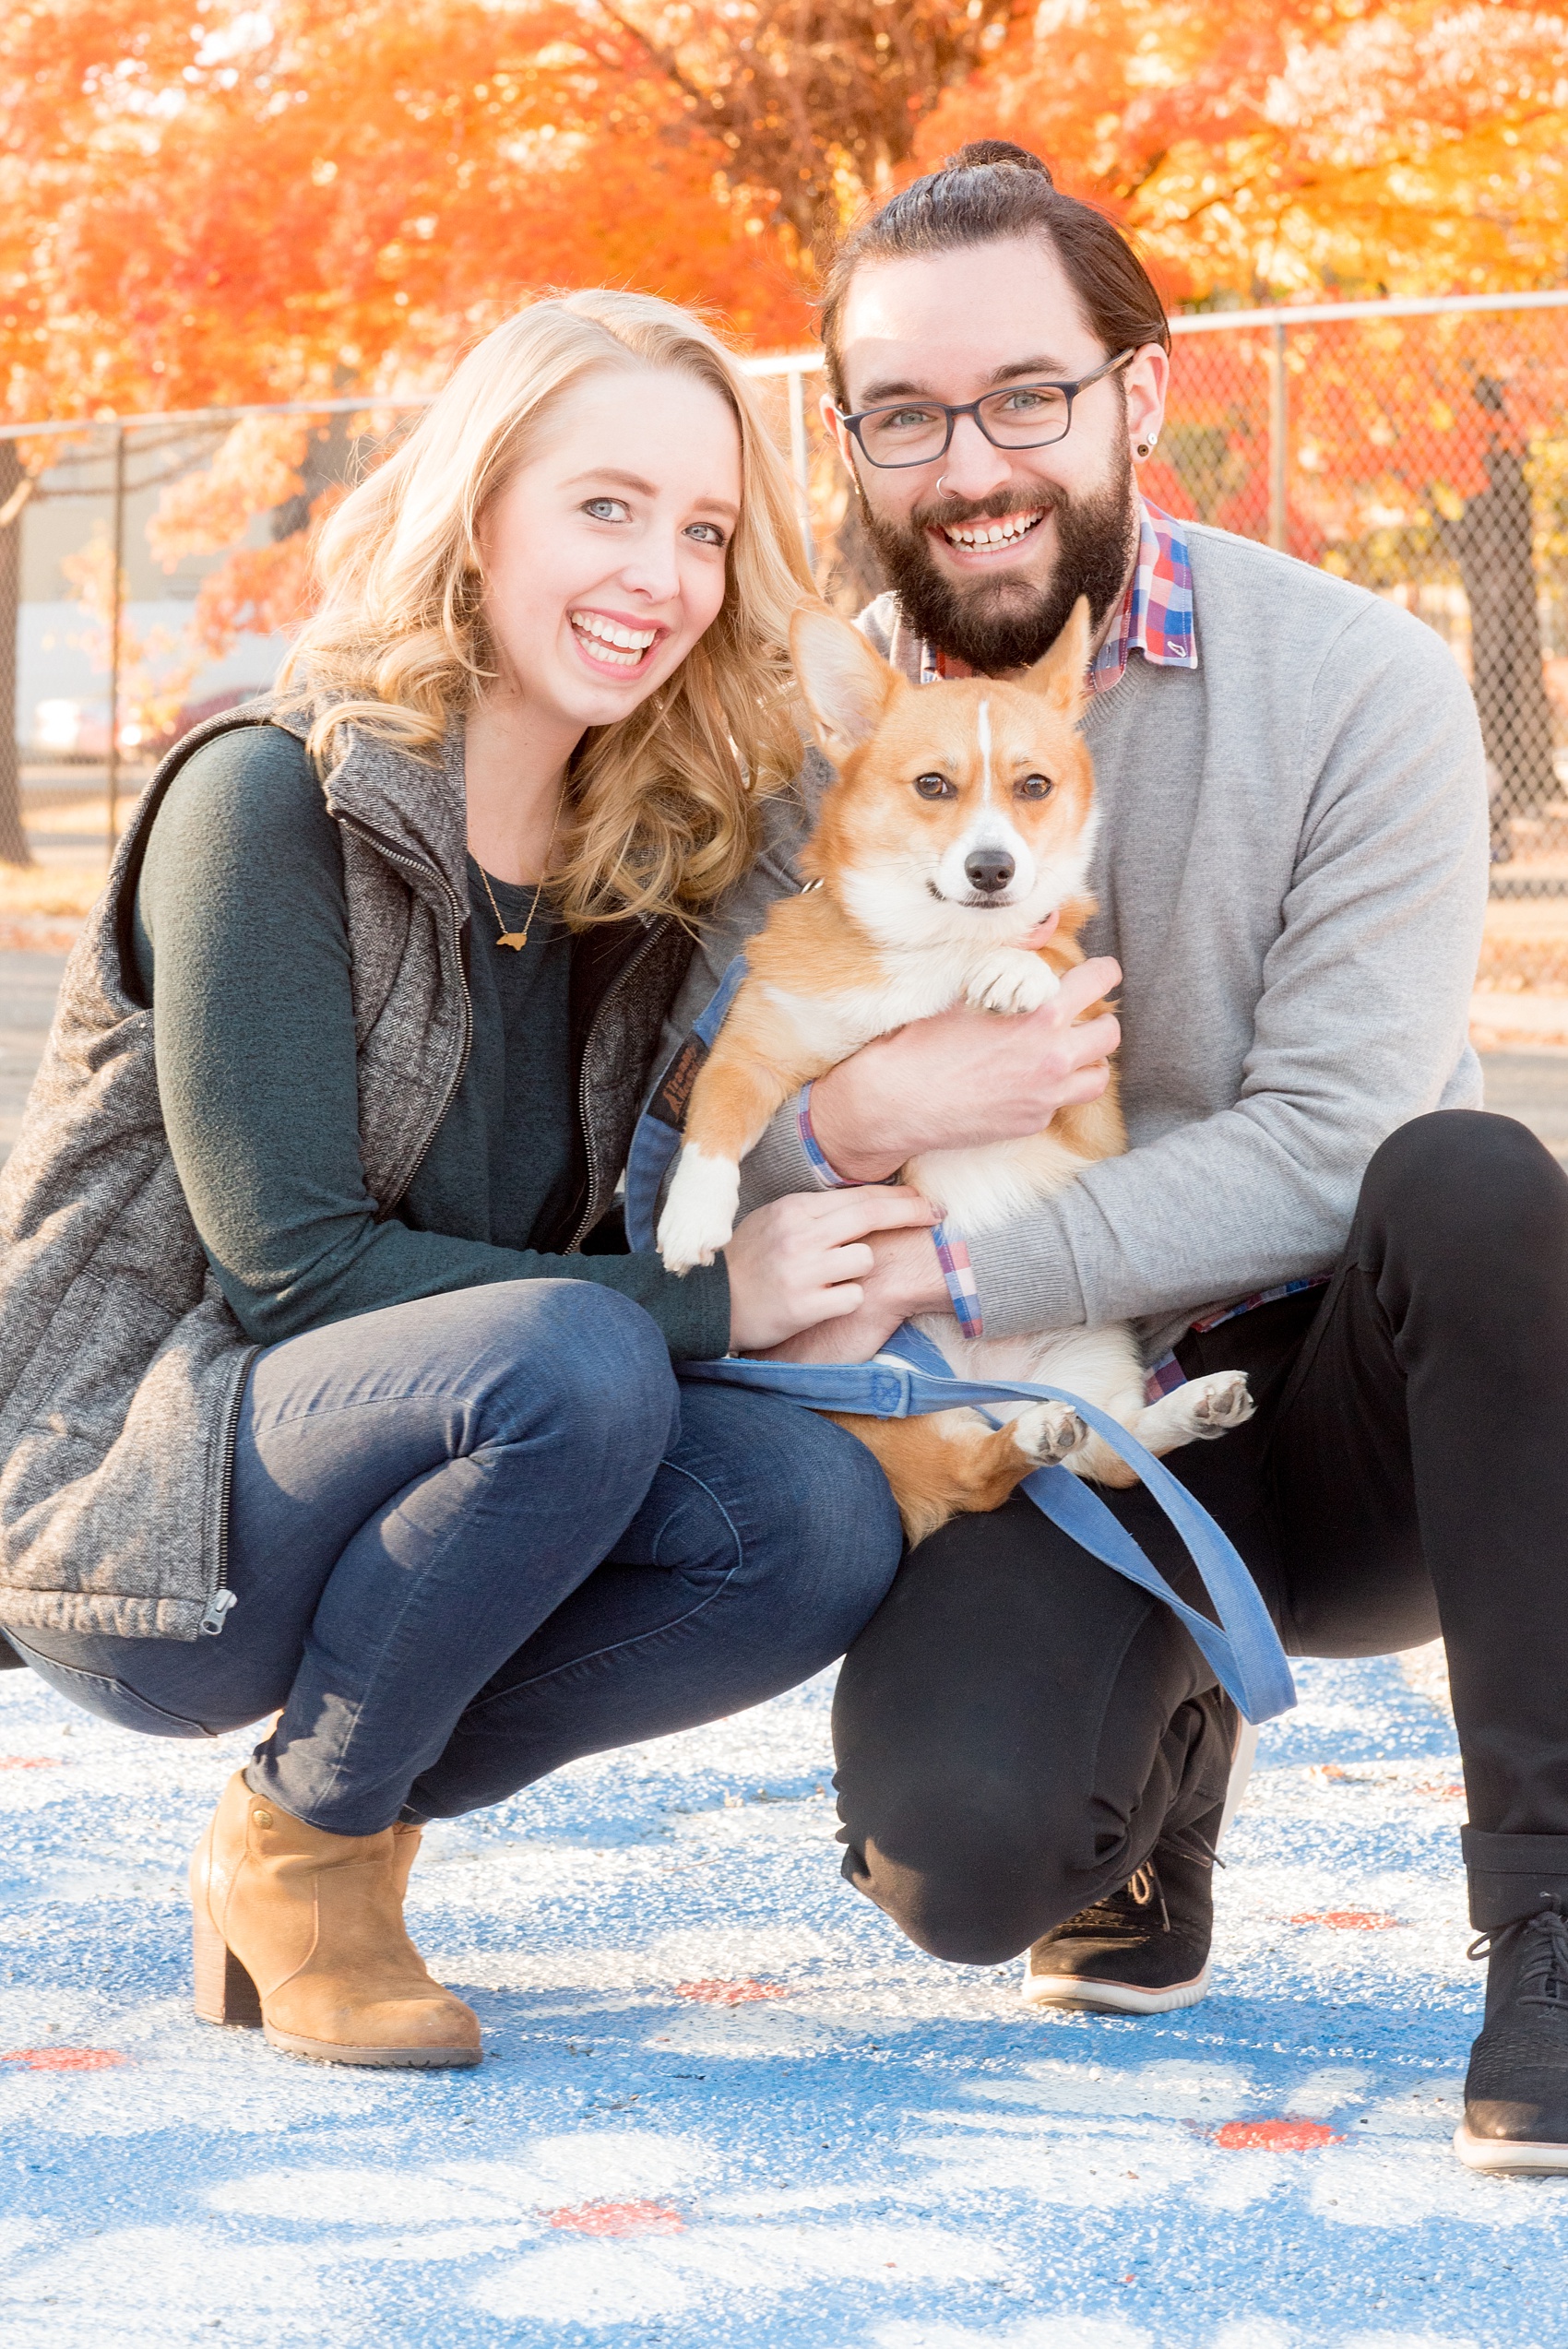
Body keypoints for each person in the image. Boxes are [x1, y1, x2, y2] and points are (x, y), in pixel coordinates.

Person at [669, 144, 1568, 2175]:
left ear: (1139, 393)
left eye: (1026, 394)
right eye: (904, 412)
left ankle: (1550, 1915)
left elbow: (1334, 1135)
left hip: (1328, 1396)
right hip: (1019, 1418)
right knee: (959, 1856)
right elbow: (698, 1084)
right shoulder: (782, 716)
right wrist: (845, 1131)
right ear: (851, 439)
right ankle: (1150, 1774)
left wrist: (971, 1263)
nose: (967, 459)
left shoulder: (1363, 685)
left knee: (1474, 1174)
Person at [0, 291, 930, 2070]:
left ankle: (330, 1792)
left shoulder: (646, 868)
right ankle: (313, 1860)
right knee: (580, 1365)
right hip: (153, 1500)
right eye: (606, 504)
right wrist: (709, 1303)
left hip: (453, 1464)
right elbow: (288, 1269)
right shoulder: (264, 801)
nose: (661, 571)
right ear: (481, 505)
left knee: (808, 1525)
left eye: (707, 529)